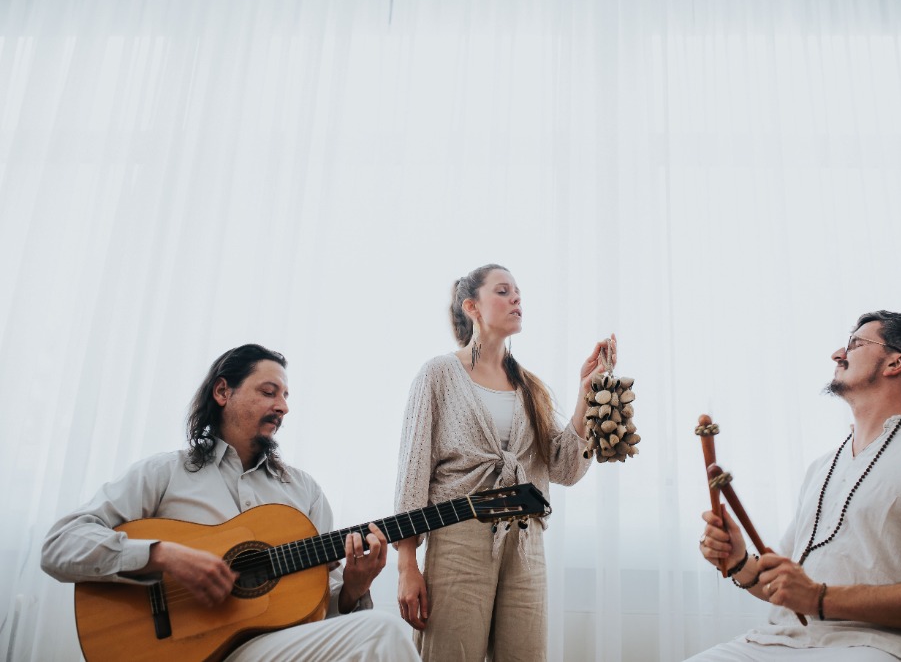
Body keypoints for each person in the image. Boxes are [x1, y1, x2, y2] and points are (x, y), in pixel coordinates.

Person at [41, 344, 420, 661]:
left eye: (286, 396)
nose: (283, 406)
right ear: (223, 392)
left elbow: (325, 616)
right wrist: (163, 555)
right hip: (180, 651)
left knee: (380, 630)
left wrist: (354, 590)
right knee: (384, 631)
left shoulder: (304, 493)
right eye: (269, 392)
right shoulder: (164, 473)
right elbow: (59, 546)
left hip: (269, 648)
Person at [691, 311, 901, 662]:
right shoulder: (821, 466)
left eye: (855, 343)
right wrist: (741, 561)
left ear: (896, 362)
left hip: (879, 648)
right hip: (772, 643)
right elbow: (788, 587)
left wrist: (819, 599)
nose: (838, 353)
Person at [394, 263, 613, 661]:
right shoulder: (439, 374)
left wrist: (587, 393)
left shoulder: (530, 386)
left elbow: (563, 468)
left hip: (526, 540)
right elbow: (413, 471)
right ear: (472, 307)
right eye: (503, 291)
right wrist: (407, 564)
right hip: (458, 535)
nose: (516, 299)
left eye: (518, 293)